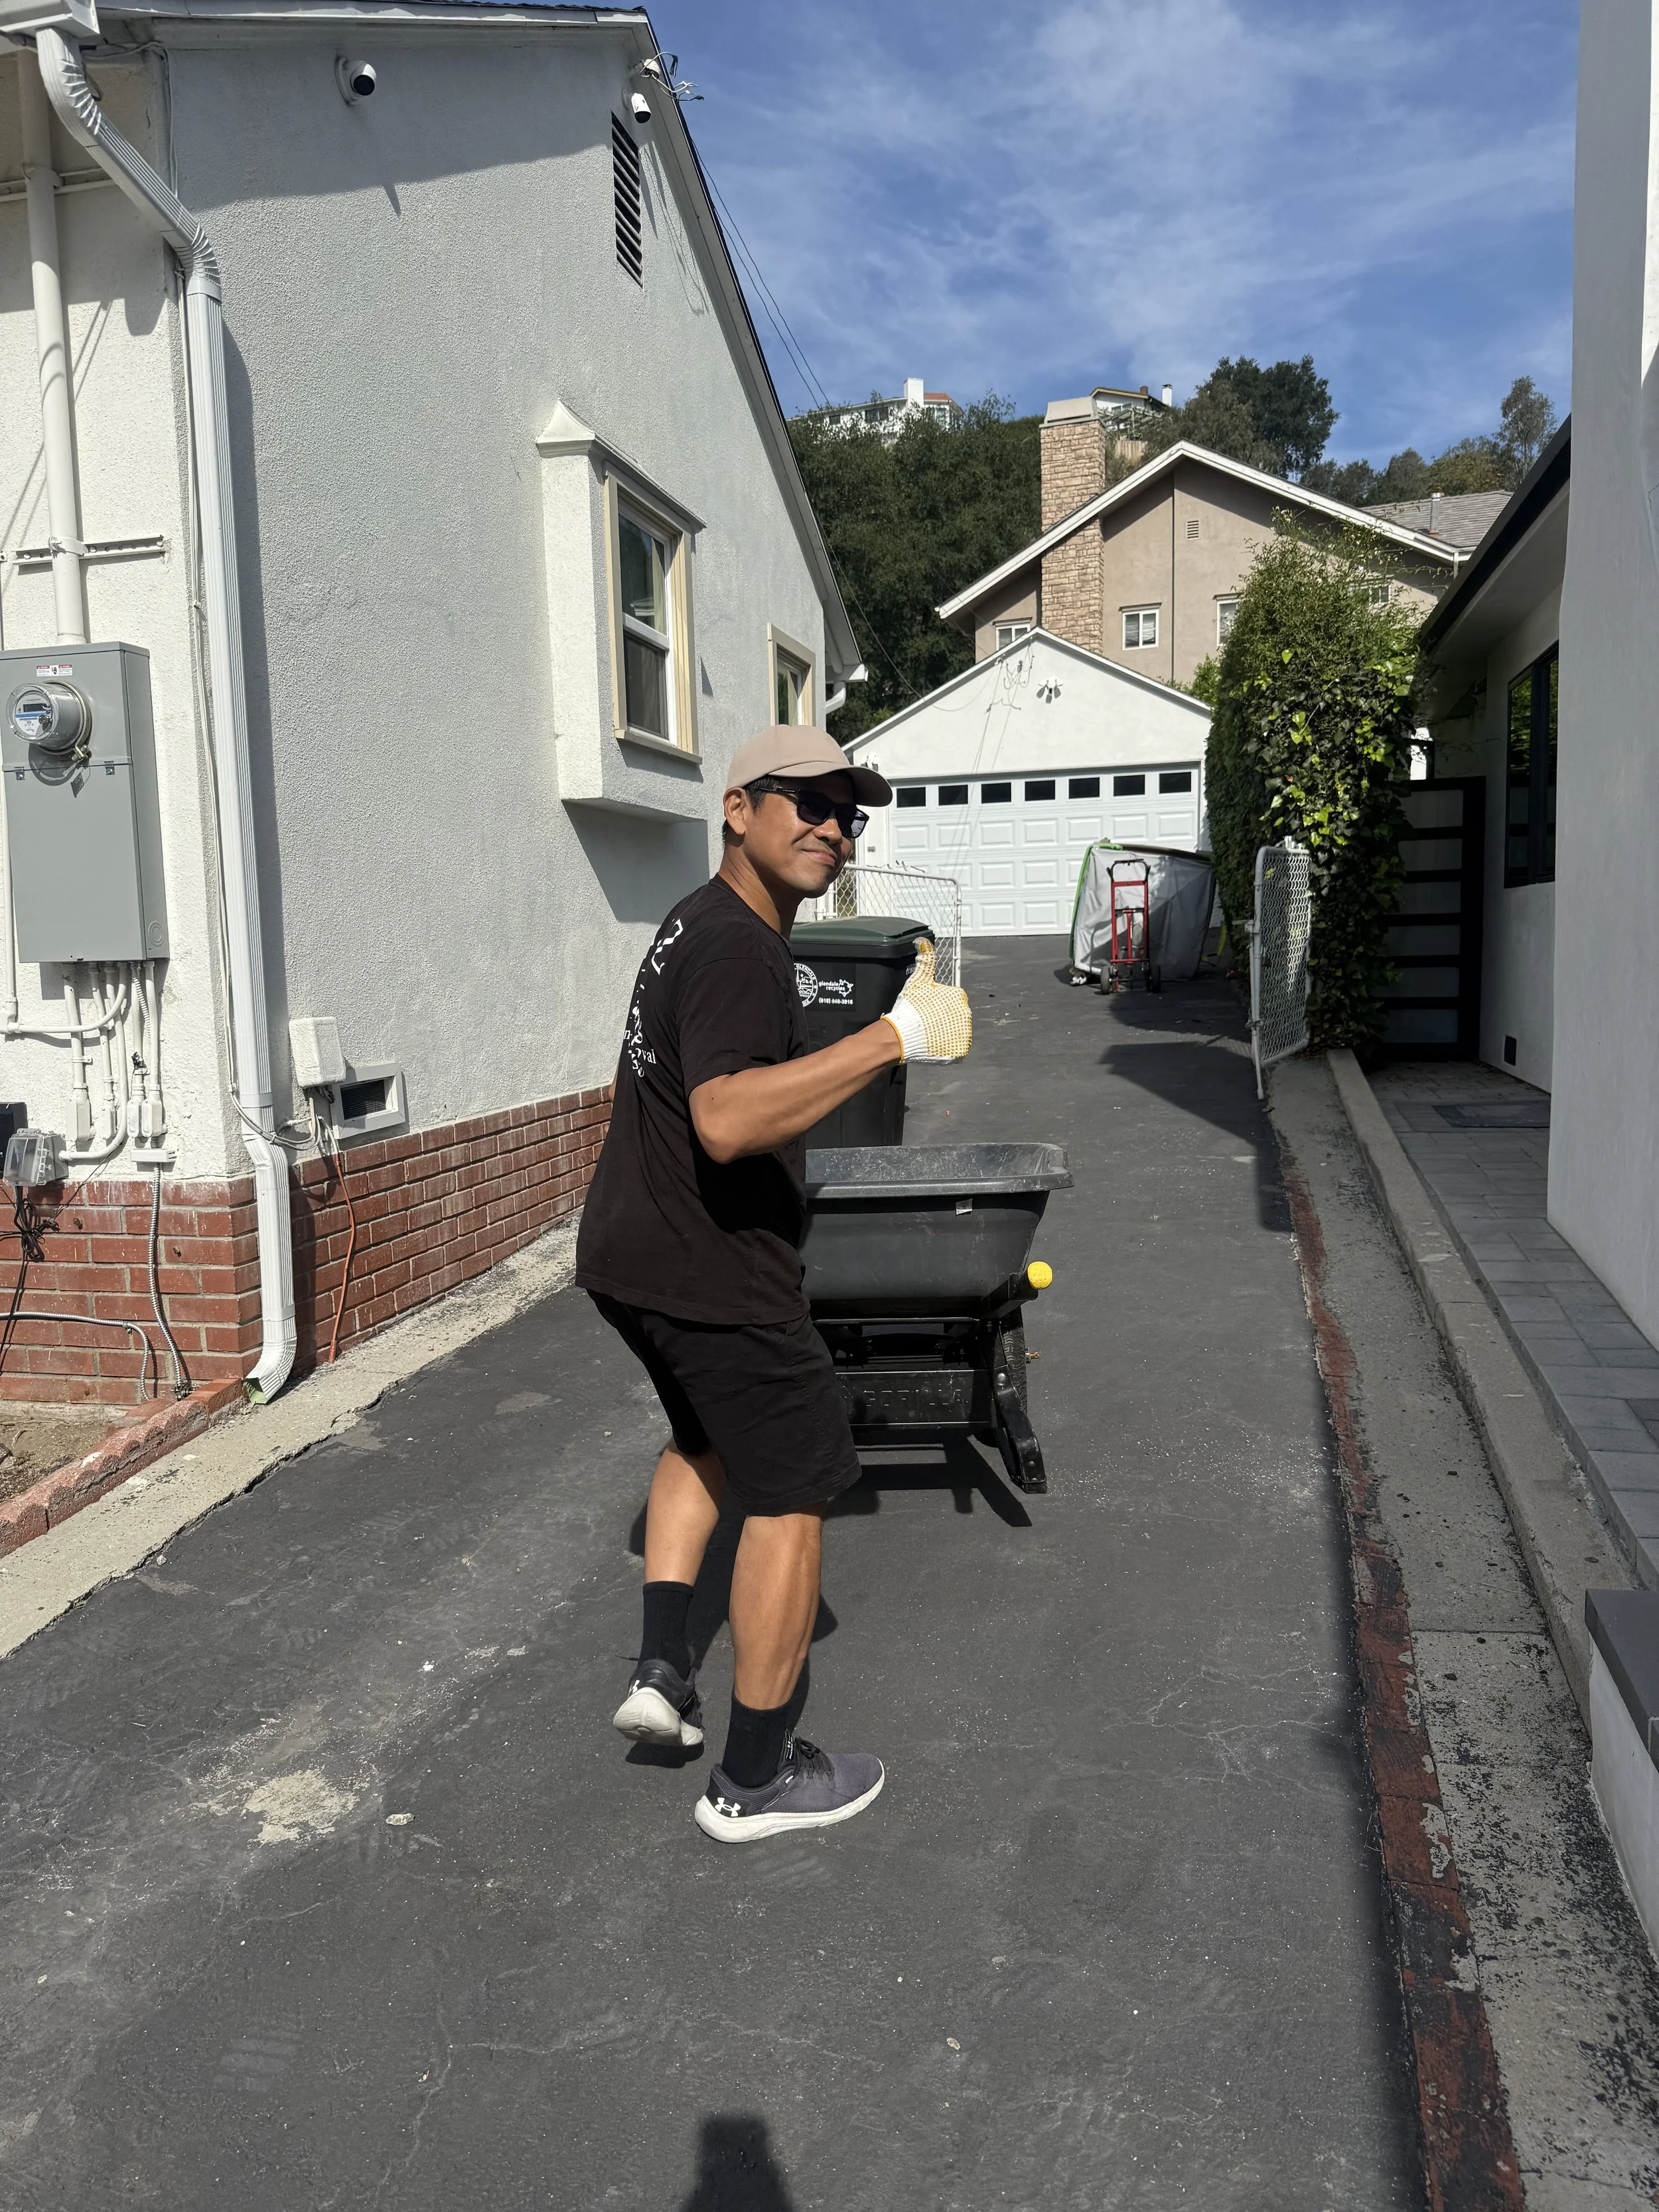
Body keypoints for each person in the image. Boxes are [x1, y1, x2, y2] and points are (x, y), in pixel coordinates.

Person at [575, 723, 973, 1842]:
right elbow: (728, 1117)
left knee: (703, 1439)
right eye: (803, 800)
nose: (831, 826)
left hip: (631, 1256)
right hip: (713, 1272)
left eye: (848, 810)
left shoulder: (698, 923)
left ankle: (663, 1670)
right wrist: (895, 1035)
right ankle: (751, 1781)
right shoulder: (742, 947)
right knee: (793, 1493)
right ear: (737, 808)